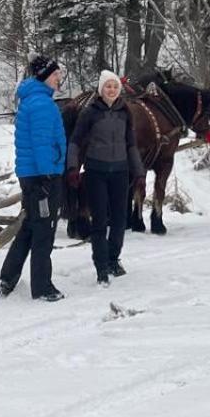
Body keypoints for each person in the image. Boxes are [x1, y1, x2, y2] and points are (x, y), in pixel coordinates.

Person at [0, 55, 67, 302]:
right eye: (56, 74)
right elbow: (41, 144)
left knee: (29, 226)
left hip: (33, 175)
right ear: (45, 76)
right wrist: (48, 175)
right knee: (44, 230)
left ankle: (8, 277)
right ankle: (42, 287)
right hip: (42, 177)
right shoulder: (42, 104)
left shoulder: (35, 99)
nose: (59, 78)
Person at [67, 70, 144, 285]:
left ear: (118, 90)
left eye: (114, 87)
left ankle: (113, 259)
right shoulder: (90, 112)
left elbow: (131, 145)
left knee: (120, 220)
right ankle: (101, 266)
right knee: (100, 221)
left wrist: (139, 172)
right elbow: (75, 141)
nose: (111, 90)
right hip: (95, 173)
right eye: (107, 86)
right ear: (101, 89)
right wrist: (73, 167)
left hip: (120, 172)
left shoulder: (124, 112)